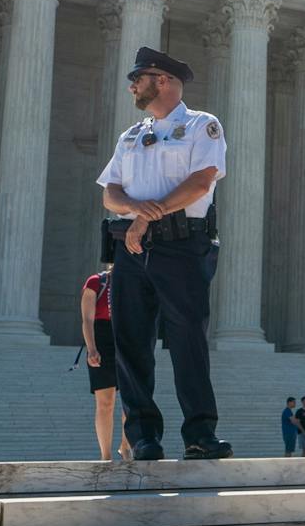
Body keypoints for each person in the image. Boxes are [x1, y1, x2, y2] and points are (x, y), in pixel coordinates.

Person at [96, 46, 232, 462]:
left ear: (166, 81)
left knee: (188, 338)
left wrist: (148, 216)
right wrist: (137, 212)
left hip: (181, 248)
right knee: (131, 342)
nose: (133, 84)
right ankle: (143, 437)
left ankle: (200, 433)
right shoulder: (131, 135)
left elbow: (201, 183)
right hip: (132, 250)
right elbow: (110, 193)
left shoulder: (200, 126)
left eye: (141, 76)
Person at [80, 265, 130, 462]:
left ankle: (126, 446)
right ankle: (106, 455)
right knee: (105, 402)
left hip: (126, 338)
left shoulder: (134, 283)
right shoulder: (95, 282)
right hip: (101, 338)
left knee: (131, 399)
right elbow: (87, 319)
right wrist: (91, 348)